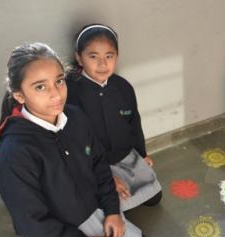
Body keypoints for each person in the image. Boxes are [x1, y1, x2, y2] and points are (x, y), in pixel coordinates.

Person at [0, 43, 156, 237]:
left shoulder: (75, 117)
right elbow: (31, 224)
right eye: (40, 87)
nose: (56, 95)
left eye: (59, 81)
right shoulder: (12, 154)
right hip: (60, 233)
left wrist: (111, 212)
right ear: (19, 95)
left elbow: (99, 166)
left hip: (93, 211)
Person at [67, 24, 162, 211]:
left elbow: (134, 124)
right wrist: (103, 175)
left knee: (154, 198)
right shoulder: (70, 93)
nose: (102, 64)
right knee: (111, 207)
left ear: (116, 57)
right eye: (93, 56)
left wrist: (142, 154)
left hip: (125, 157)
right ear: (79, 58)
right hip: (94, 165)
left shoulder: (123, 87)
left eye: (109, 56)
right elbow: (73, 142)